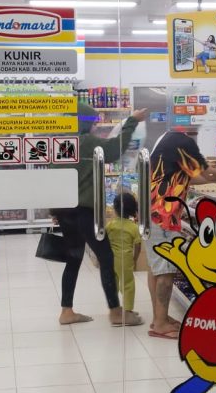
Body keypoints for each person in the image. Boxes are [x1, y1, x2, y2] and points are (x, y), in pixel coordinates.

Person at [53, 102, 148, 326]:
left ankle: (66, 311)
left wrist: (53, 209)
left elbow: (53, 178)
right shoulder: (86, 142)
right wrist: (132, 121)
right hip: (84, 212)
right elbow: (114, 149)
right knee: (106, 257)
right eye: (93, 122)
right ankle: (115, 311)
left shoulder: (61, 143)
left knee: (73, 259)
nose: (95, 127)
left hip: (64, 211)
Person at [145, 130, 216, 339]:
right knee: (165, 272)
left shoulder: (165, 145)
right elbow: (207, 173)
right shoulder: (183, 143)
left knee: (156, 269)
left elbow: (195, 177)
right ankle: (160, 324)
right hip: (163, 216)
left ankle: (159, 318)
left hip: (151, 213)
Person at [106, 192, 142, 317]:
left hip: (111, 258)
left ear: (115, 208)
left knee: (113, 284)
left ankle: (115, 309)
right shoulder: (134, 227)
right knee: (128, 284)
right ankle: (127, 311)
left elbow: (104, 241)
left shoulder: (110, 225)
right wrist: (135, 259)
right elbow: (138, 246)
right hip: (125, 259)